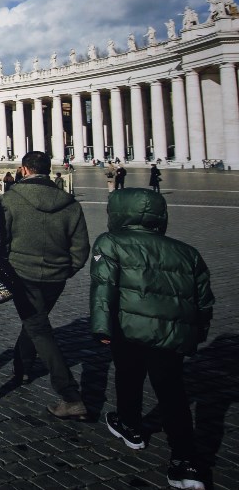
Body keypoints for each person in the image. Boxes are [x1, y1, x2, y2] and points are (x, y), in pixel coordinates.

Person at [90, 188, 213, 490]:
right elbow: (204, 301)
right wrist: (195, 334)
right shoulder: (187, 251)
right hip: (170, 334)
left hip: (127, 328)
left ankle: (130, 425)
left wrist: (102, 329)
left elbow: (103, 290)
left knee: (128, 376)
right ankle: (185, 461)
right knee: (173, 392)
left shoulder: (111, 242)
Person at [0, 151, 91, 419]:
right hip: (56, 277)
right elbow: (81, 247)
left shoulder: (11, 199)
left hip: (22, 274)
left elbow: (0, 240)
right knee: (35, 321)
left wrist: (6, 268)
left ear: (24, 170)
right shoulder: (69, 202)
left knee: (38, 327)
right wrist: (67, 268)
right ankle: (22, 366)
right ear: (48, 170)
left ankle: (70, 395)